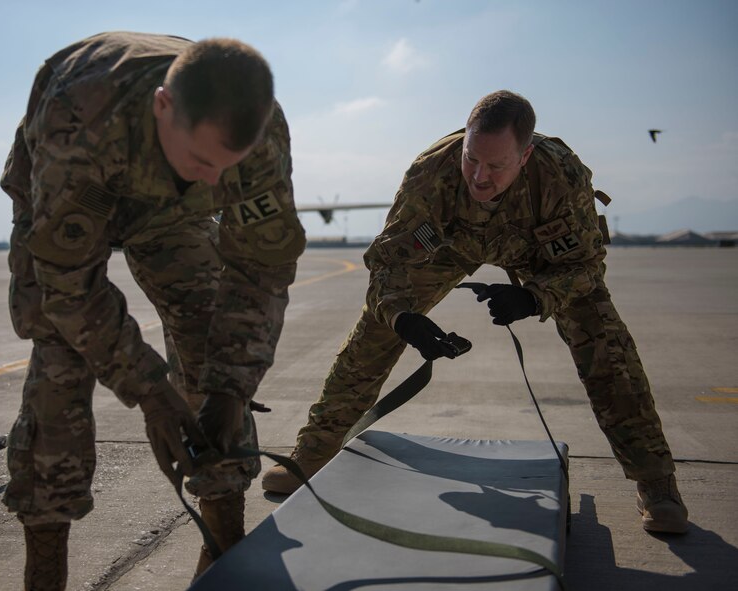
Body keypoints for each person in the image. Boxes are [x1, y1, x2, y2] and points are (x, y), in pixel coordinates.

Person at [262, 90, 688, 535]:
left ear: (525, 156)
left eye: (496, 165)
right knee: (376, 331)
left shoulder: (559, 174)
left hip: (536, 250)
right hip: (450, 245)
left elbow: (585, 266)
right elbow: (389, 263)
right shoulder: (431, 171)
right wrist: (403, 318)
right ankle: (311, 452)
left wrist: (534, 297)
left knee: (606, 343)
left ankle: (656, 482)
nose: (479, 177)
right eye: (471, 159)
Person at [0, 31, 305, 589]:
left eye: (225, 166)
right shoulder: (79, 119)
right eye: (203, 160)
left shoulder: (258, 134)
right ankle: (45, 570)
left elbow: (261, 267)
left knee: (211, 334)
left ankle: (225, 551)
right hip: (69, 200)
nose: (216, 179)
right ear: (164, 107)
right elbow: (69, 287)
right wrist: (152, 392)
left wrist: (231, 388)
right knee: (61, 361)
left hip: (172, 212)